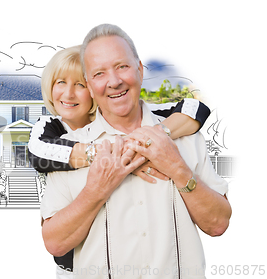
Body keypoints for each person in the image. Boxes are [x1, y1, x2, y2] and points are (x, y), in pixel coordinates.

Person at [40, 24, 231, 279]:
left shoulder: (186, 138)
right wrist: (96, 191)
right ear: (89, 84)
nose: (114, 81)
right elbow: (54, 243)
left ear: (139, 70)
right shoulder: (69, 151)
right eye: (99, 73)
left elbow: (218, 224)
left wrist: (177, 168)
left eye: (122, 66)